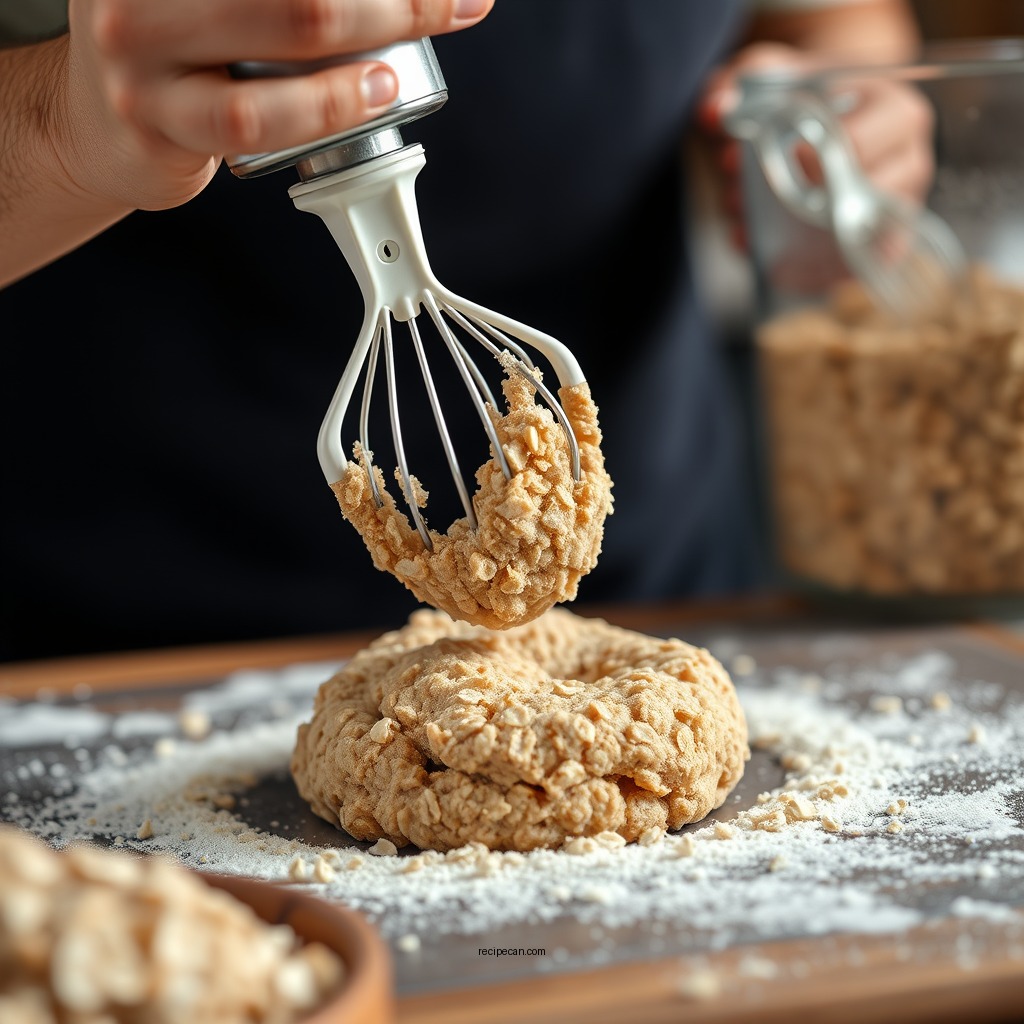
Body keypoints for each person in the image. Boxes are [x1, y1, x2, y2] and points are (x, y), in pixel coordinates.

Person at [0, 0, 927, 660]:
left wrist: (827, 108)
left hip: (683, 591)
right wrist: (60, 123)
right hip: (104, 642)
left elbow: (824, 19)